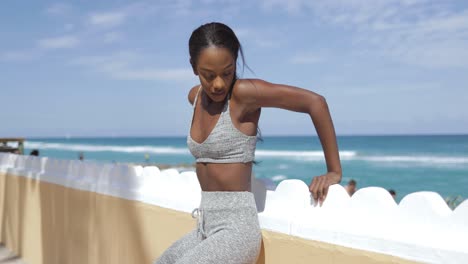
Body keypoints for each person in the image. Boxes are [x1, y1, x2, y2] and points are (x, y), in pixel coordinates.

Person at [155, 22, 342, 264]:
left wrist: (334, 171)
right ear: (193, 67)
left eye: (227, 72)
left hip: (236, 230)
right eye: (209, 75)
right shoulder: (195, 97)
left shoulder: (243, 94)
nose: (219, 83)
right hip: (205, 226)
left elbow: (315, 102)